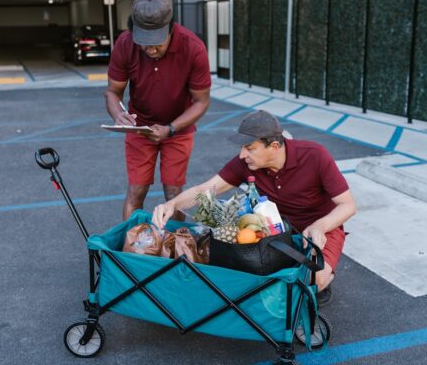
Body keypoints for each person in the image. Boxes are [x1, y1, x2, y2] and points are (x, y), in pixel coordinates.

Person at [152, 110, 356, 306]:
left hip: (321, 228)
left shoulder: (314, 155)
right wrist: (172, 204)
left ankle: (323, 278)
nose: (242, 155)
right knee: (251, 275)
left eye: (249, 148)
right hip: (275, 229)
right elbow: (206, 189)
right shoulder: (247, 163)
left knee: (314, 280)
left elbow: (348, 205)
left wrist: (320, 226)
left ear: (274, 146)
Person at [105, 0, 211, 220]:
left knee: (173, 193)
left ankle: (175, 247)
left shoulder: (193, 47)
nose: (150, 50)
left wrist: (170, 128)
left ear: (170, 29)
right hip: (140, 127)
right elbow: (113, 92)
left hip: (178, 129)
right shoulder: (125, 44)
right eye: (143, 43)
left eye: (156, 43)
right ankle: (130, 248)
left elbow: (201, 101)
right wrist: (118, 114)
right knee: (136, 190)